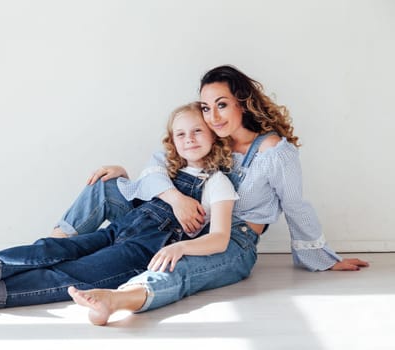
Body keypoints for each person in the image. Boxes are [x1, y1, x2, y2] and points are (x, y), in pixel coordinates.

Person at [57, 65, 369, 325]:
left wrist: (324, 260)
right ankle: (53, 248)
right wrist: (174, 198)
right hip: (177, 224)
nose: (213, 116)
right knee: (106, 187)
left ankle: (117, 300)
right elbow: (158, 163)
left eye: (222, 104)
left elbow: (296, 206)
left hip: (232, 240)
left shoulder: (274, 153)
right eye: (206, 107)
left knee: (177, 268)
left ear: (243, 102)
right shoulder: (205, 134)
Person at [0, 101, 240, 311]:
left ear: (214, 135)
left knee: (72, 273)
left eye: (198, 130)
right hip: (118, 231)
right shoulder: (165, 172)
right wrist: (124, 175)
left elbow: (220, 238)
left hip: (142, 252)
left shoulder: (216, 183)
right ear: (173, 141)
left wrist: (181, 248)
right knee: (52, 247)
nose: (189, 139)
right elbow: (138, 190)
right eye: (181, 134)